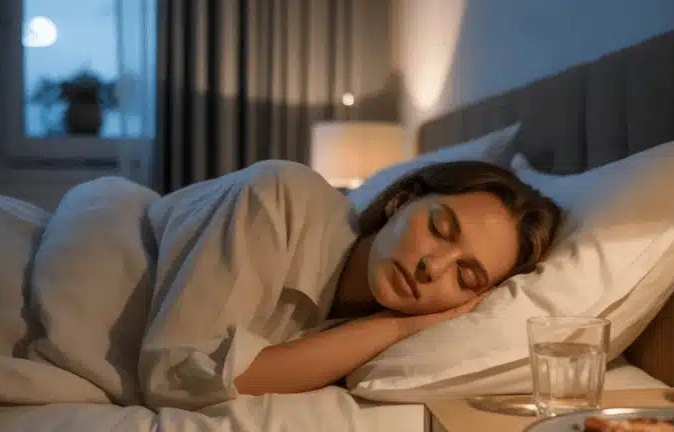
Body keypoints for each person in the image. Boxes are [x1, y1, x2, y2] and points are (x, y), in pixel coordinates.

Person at [227, 159, 561, 397]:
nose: (433, 267)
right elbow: (204, 376)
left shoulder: (363, 333)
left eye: (465, 277)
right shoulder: (278, 200)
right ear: (401, 201)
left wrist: (399, 327)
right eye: (439, 229)